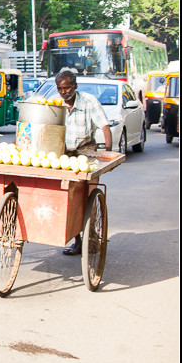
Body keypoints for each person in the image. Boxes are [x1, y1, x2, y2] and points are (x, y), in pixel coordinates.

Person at [55, 68, 112, 256]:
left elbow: (104, 126)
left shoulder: (89, 102)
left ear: (75, 86)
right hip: (63, 155)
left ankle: (92, 238)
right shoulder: (55, 104)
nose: (64, 92)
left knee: (88, 198)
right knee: (70, 200)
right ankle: (78, 240)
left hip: (87, 152)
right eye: (60, 89)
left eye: (67, 88)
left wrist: (108, 153)